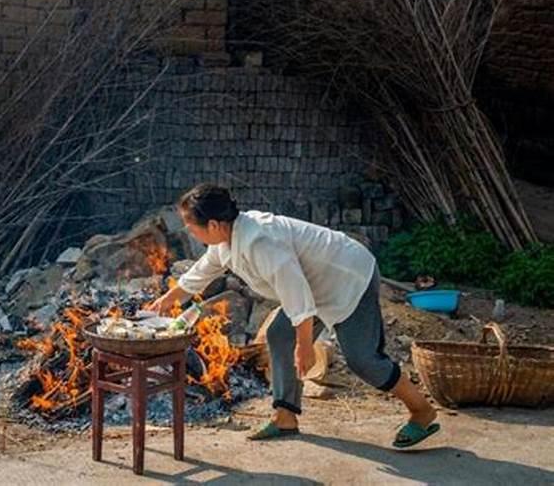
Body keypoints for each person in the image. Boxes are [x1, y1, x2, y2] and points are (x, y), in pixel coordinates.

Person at [148, 183, 440, 447]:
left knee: (362, 360)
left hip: (348, 278)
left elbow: (296, 294)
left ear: (213, 224)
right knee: (278, 335)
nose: (189, 232)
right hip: (314, 287)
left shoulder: (260, 242)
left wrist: (304, 346)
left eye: (190, 226)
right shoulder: (225, 239)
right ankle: (285, 417)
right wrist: (165, 300)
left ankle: (421, 411)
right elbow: (201, 272)